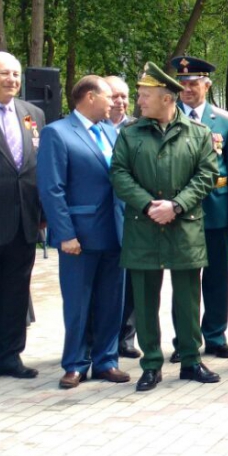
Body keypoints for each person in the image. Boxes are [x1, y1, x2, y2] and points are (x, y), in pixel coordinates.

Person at [110, 62, 220, 392]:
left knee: (188, 299)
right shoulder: (130, 133)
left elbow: (207, 175)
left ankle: (190, 360)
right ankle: (151, 364)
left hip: (184, 227)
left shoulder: (198, 134)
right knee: (145, 300)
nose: (139, 101)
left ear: (167, 99)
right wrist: (148, 204)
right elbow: (118, 174)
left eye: (145, 95)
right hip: (143, 227)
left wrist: (176, 205)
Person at [37, 75, 129, 388]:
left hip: (114, 233)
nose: (115, 102)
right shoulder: (57, 133)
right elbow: (53, 188)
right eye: (109, 96)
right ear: (89, 97)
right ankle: (75, 363)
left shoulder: (109, 131)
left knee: (111, 301)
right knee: (78, 303)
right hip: (79, 236)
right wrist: (65, 234)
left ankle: (106, 360)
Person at [170, 55, 228, 361]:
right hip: (180, 211)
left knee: (217, 277)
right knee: (184, 280)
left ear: (207, 85)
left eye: (193, 83)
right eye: (182, 83)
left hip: (216, 208)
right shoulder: (167, 117)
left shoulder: (225, 120)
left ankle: (215, 335)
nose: (187, 89)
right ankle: (185, 339)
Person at [0, 51, 46, 381]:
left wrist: (42, 213)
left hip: (24, 221)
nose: (12, 80)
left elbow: (39, 168)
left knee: (16, 291)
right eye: (4, 74)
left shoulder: (33, 115)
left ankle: (9, 356)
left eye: (15, 74)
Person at [104, 75, 140, 358]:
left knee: (132, 281)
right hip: (103, 217)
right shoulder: (92, 128)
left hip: (133, 216)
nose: (120, 101)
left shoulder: (139, 128)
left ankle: (127, 338)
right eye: (114, 96)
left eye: (124, 96)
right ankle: (99, 337)